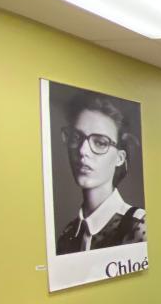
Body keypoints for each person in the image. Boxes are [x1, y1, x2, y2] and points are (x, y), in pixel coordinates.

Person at [56, 92, 145, 254]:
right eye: (77, 137)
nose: (83, 151)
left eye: (100, 143)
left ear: (119, 158)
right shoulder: (68, 234)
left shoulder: (139, 226)